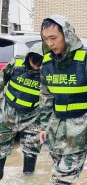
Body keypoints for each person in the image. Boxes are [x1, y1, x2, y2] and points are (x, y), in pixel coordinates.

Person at [39, 14, 87, 185]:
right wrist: (43, 125)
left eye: (54, 38)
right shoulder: (48, 61)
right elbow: (46, 95)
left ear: (67, 35)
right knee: (68, 176)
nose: (50, 43)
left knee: (60, 178)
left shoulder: (85, 58)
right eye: (45, 39)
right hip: (55, 128)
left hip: (81, 127)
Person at [0, 42, 43, 179]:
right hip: (9, 114)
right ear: (29, 57)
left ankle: (28, 179)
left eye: (40, 63)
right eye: (34, 62)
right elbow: (1, 80)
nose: (36, 67)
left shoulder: (48, 72)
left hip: (33, 117)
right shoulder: (16, 64)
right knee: (1, 149)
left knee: (31, 150)